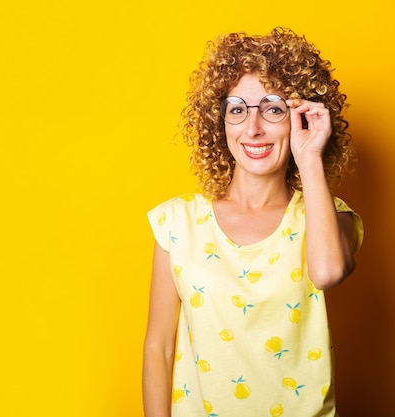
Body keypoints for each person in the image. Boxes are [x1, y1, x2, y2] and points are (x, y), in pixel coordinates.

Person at [143, 27, 364, 417]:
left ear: (301, 118)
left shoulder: (329, 217)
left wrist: (310, 156)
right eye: (238, 109)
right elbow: (159, 346)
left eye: (274, 109)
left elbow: (329, 272)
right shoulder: (178, 222)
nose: (253, 128)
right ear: (220, 122)